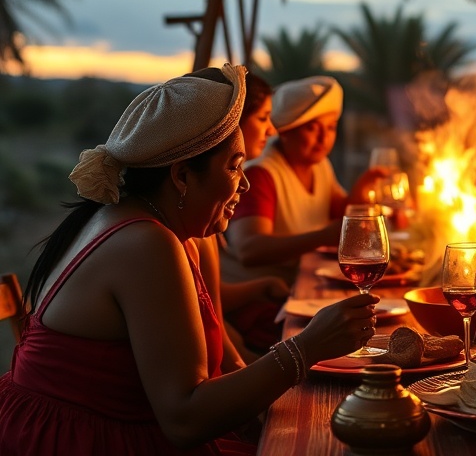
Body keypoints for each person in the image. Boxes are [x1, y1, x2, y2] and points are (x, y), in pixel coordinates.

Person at [0, 64, 378, 454]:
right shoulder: (145, 243)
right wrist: (306, 348)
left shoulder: (154, 227)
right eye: (234, 166)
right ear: (181, 176)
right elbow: (185, 419)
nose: (245, 183)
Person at [223, 76, 383, 286]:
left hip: (303, 281)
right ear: (285, 131)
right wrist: (322, 237)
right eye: (312, 128)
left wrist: (363, 192)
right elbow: (249, 249)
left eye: (331, 128)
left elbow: (341, 216)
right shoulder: (261, 173)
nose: (323, 138)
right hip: (263, 291)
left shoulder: (320, 165)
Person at [200, 72, 289, 361]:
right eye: (263, 118)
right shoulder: (196, 211)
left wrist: (260, 287)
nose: (273, 130)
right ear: (233, 123)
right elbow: (210, 320)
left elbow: (206, 298)